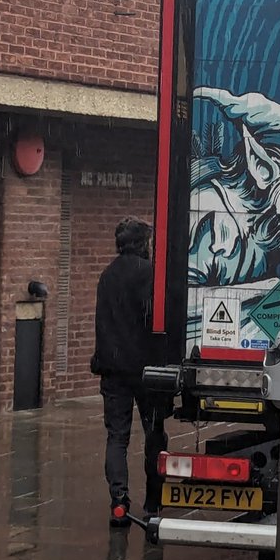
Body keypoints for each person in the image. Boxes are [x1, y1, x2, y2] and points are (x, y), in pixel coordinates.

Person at [91, 218, 167, 527]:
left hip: (112, 369)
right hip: (146, 371)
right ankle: (154, 500)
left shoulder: (107, 275)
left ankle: (119, 502)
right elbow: (156, 322)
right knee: (154, 434)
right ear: (143, 243)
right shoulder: (149, 274)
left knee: (117, 437)